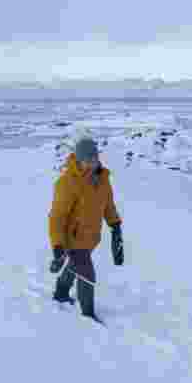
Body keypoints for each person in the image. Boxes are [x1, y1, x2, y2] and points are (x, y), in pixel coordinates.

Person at [48, 136, 124, 321]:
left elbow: (108, 205)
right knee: (86, 272)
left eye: (94, 158)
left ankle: (61, 293)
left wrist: (115, 225)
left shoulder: (103, 179)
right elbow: (57, 217)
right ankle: (88, 314)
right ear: (79, 159)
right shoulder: (67, 182)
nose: (92, 162)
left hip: (91, 237)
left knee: (75, 265)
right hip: (72, 239)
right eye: (87, 159)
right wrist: (57, 245)